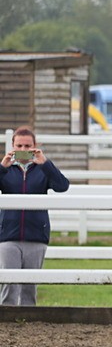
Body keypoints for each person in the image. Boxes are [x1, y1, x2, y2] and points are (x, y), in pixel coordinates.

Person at [1, 127, 70, 306]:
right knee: (9, 284)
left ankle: (30, 321)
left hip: (36, 235)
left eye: (27, 146)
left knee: (30, 286)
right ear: (12, 146)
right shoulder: (6, 170)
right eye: (19, 146)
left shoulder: (43, 169)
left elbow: (62, 186)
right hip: (8, 235)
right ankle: (7, 320)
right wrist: (2, 167)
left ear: (35, 146)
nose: (23, 150)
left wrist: (45, 163)